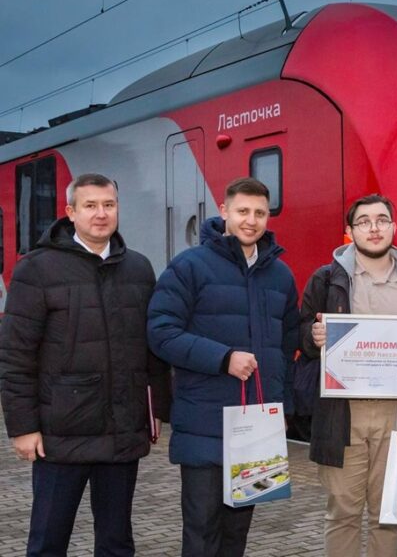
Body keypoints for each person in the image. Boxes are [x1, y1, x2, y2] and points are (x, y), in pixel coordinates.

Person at [0, 173, 171, 557]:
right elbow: (15, 354)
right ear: (70, 212)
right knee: (48, 541)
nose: (101, 214)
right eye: (90, 206)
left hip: (123, 430)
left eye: (108, 205)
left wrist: (155, 407)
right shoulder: (37, 270)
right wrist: (23, 427)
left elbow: (152, 349)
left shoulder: (139, 269)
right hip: (61, 436)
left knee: (116, 542)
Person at [147, 177, 299, 557]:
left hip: (255, 429)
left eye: (260, 213)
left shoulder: (281, 275)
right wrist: (223, 357)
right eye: (243, 211)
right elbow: (160, 333)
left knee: (236, 534)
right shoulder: (188, 266)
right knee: (201, 532)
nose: (251, 220)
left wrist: (281, 409)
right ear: (224, 212)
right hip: (204, 423)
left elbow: (286, 347)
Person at [300, 194, 397, 557]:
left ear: (394, 227)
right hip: (342, 414)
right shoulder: (327, 278)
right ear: (350, 231)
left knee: (390, 512)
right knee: (343, 512)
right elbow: (300, 331)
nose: (374, 227)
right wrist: (313, 337)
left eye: (382, 219)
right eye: (364, 221)